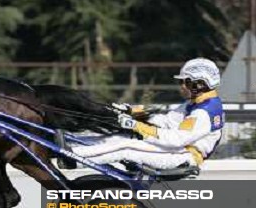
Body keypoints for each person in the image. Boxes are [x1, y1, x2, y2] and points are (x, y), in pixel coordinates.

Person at [64, 58, 225, 170]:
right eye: (180, 82)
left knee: (126, 146)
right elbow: (167, 121)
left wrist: (136, 125)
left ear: (201, 83)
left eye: (186, 82)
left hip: (183, 155)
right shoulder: (196, 103)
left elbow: (175, 140)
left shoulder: (204, 112)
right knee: (120, 138)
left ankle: (71, 156)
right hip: (177, 150)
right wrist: (132, 112)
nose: (182, 86)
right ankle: (71, 145)